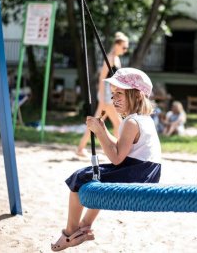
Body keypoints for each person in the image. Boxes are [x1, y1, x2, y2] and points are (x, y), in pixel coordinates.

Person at [51, 68, 161, 251]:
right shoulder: (142, 119)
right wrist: (106, 131)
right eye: (113, 94)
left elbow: (117, 158)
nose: (114, 99)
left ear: (138, 95)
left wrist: (100, 133)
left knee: (80, 178)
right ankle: (85, 225)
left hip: (136, 173)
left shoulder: (131, 123)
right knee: (99, 176)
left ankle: (71, 232)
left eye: (120, 93)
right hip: (145, 172)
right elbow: (122, 147)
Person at [76, 32, 129, 157]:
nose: (125, 50)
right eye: (124, 47)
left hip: (109, 94)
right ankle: (119, 150)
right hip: (107, 95)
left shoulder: (115, 58)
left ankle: (81, 148)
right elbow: (102, 78)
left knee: (96, 122)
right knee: (118, 124)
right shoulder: (110, 58)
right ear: (117, 45)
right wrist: (102, 98)